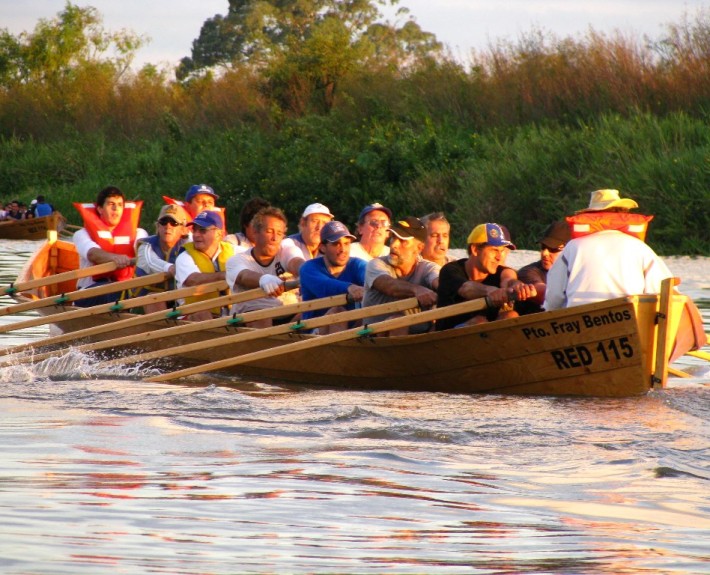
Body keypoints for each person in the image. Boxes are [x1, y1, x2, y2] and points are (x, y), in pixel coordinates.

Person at [545, 189, 673, 309]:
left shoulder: (573, 247)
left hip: (581, 322)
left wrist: (550, 312)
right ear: (622, 213)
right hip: (628, 317)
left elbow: (554, 298)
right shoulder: (640, 248)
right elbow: (662, 291)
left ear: (590, 215)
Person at [436, 223, 537, 330]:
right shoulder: (450, 271)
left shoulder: (502, 272)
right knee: (479, 321)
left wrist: (517, 286)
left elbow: (509, 279)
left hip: (486, 337)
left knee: (511, 316)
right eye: (494, 250)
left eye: (502, 251)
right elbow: (466, 289)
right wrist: (489, 291)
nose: (499, 257)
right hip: (448, 336)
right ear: (475, 249)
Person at [225, 206, 304, 327]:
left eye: (279, 233)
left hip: (285, 315)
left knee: (314, 313)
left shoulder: (286, 250)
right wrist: (263, 279)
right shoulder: (236, 260)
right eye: (269, 231)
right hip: (248, 317)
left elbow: (296, 262)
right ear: (255, 232)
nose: (274, 238)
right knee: (262, 318)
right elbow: (244, 276)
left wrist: (306, 273)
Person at [362, 216, 440, 334]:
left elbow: (440, 282)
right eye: (393, 237)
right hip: (377, 340)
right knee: (397, 321)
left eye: (402, 241)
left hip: (419, 339)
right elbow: (389, 286)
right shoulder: (376, 265)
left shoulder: (429, 268)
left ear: (419, 248)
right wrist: (416, 290)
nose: (394, 245)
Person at [73, 186, 147, 307]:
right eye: (111, 204)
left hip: (125, 290)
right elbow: (93, 254)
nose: (115, 208)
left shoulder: (139, 233)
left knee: (140, 290)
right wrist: (116, 258)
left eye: (119, 205)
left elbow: (142, 251)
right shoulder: (81, 234)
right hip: (88, 293)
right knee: (115, 291)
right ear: (100, 209)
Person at [299, 221, 367, 333]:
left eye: (346, 243)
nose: (343, 250)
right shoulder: (308, 269)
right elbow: (325, 287)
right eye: (336, 244)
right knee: (338, 311)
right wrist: (350, 288)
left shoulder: (358, 265)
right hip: (314, 333)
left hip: (352, 330)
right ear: (322, 248)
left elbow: (372, 279)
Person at [174, 210, 235, 321]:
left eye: (202, 230)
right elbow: (193, 280)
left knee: (255, 311)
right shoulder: (184, 256)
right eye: (194, 230)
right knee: (202, 314)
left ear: (219, 234)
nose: (196, 234)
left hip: (229, 316)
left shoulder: (234, 251)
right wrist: (226, 275)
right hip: (191, 316)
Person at [134, 204, 190, 313]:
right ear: (157, 227)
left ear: (183, 229)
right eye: (163, 222)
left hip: (178, 301)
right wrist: (171, 268)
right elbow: (150, 263)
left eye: (174, 223)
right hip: (143, 304)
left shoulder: (190, 246)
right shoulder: (145, 246)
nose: (168, 226)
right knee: (154, 299)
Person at [515, 221, 571, 314]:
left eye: (553, 249)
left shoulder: (577, 271)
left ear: (570, 249)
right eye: (543, 247)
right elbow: (547, 295)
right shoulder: (528, 272)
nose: (544, 253)